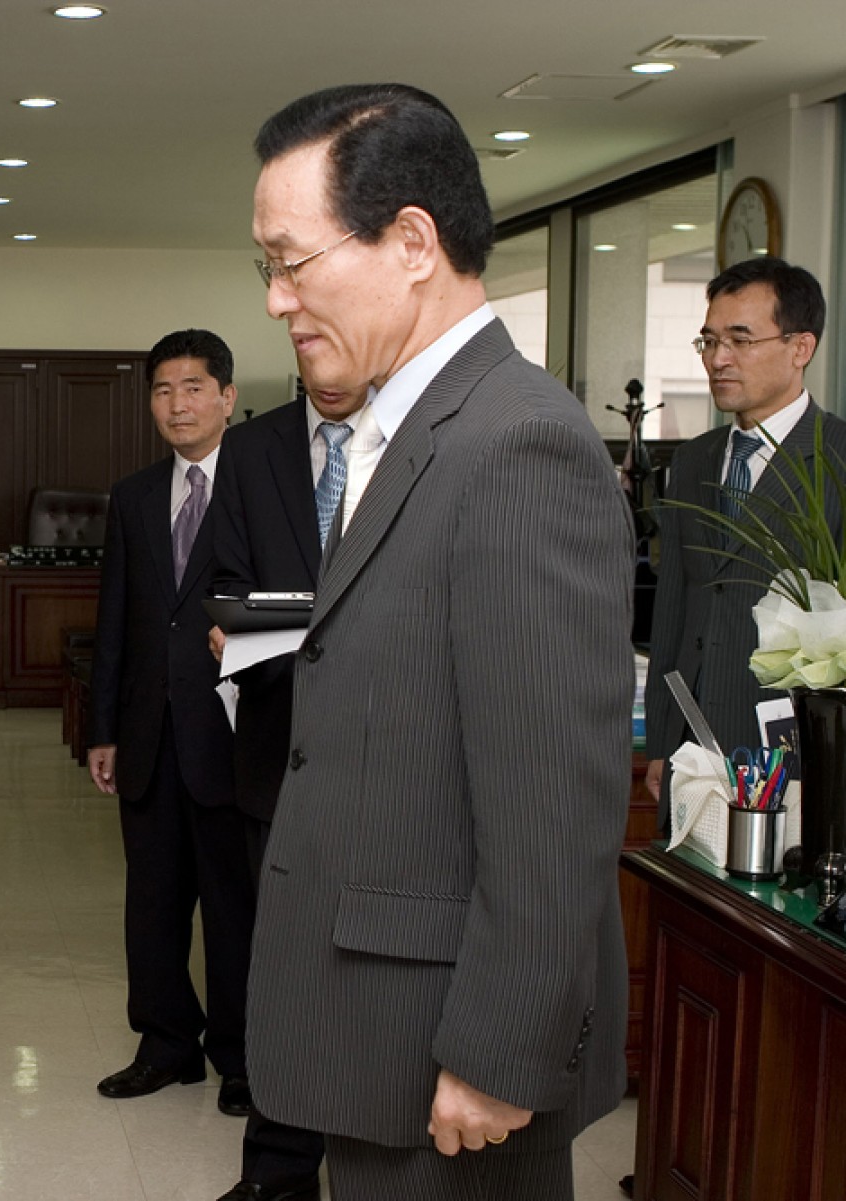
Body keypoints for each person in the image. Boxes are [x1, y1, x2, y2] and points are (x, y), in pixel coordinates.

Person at [240, 84, 635, 1199]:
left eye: (292, 261)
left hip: (453, 1057)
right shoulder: (410, 428)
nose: (276, 301)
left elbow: (554, 800)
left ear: (411, 241)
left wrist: (499, 1048)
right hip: (383, 1032)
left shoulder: (517, 446)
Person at [204, 375, 373, 1201]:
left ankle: (371, 1156)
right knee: (280, 967)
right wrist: (238, 620)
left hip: (381, 747)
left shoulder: (408, 436)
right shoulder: (251, 446)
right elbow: (229, 580)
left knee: (369, 970)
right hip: (277, 737)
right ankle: (277, 1169)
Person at [86, 329, 253, 1118]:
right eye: (162, 390)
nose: (177, 404)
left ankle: (242, 1056)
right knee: (150, 902)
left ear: (226, 395)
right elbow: (115, 616)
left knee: (233, 904)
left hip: (231, 734)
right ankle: (164, 1044)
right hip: (149, 734)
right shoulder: (134, 494)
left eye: (193, 388)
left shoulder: (266, 487)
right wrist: (103, 729)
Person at [643, 257, 846, 820]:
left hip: (798, 768)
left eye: (740, 339)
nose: (718, 359)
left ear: (800, 347)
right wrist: (663, 741)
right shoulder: (692, 460)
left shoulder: (838, 461)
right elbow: (675, 610)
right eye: (708, 341)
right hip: (692, 755)